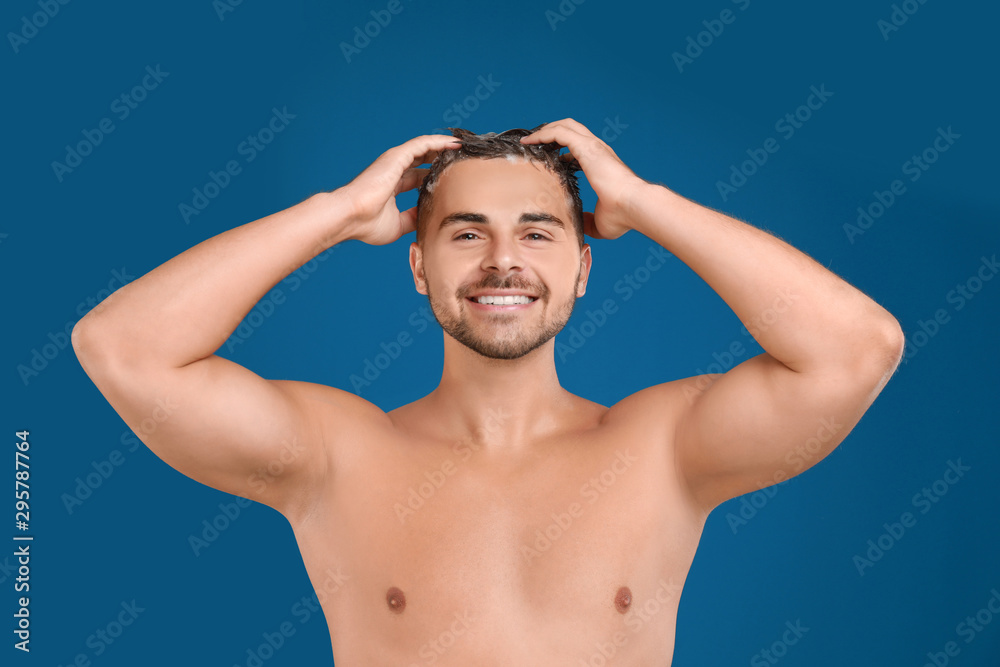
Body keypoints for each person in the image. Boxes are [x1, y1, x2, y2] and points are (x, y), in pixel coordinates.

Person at [71, 118, 904, 666]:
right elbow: (124, 347)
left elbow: (858, 349)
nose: (503, 261)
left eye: (537, 233)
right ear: (418, 264)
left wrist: (646, 204)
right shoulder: (335, 454)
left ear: (580, 268)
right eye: (466, 233)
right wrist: (337, 210)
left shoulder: (665, 448)